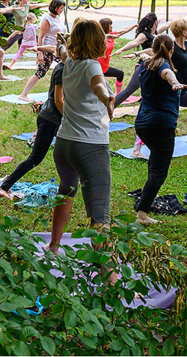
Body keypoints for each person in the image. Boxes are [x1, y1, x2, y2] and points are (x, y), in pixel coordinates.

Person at [46, 20, 116, 264]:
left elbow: (62, 50)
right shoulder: (91, 65)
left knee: (66, 190)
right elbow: (98, 84)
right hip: (89, 147)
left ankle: (53, 246)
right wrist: (106, 97)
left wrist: (64, 43)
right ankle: (111, 281)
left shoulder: (69, 62)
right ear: (98, 41)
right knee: (99, 215)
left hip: (64, 144)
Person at [125, 20, 187, 156]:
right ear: (184, 32)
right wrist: (137, 54)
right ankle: (136, 149)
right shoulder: (171, 47)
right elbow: (152, 51)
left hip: (182, 89)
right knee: (156, 115)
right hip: (171, 89)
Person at [0, 36, 69, 199]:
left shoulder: (66, 67)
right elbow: (58, 100)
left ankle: (65, 189)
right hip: (50, 119)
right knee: (35, 158)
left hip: (52, 118)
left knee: (67, 154)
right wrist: (69, 118)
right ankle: (4, 187)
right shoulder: (62, 69)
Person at [132, 36, 187, 224]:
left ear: (153, 49)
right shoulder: (163, 65)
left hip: (142, 124)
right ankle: (142, 214)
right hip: (160, 125)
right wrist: (174, 82)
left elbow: (146, 57)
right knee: (159, 171)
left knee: (155, 158)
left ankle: (151, 194)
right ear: (171, 51)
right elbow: (167, 73)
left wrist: (140, 54)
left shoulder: (146, 64)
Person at [18, 0, 67, 102]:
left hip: (57, 49)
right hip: (47, 50)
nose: (62, 10)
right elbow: (40, 37)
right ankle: (23, 94)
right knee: (41, 71)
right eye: (61, 8)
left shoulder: (57, 18)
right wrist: (40, 53)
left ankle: (65, 93)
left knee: (67, 67)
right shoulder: (47, 19)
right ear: (55, 7)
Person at [97, 18, 136, 94]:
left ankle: (118, 95)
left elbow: (123, 30)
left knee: (120, 74)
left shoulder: (112, 35)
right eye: (110, 25)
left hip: (105, 67)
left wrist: (135, 25)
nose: (112, 26)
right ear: (106, 26)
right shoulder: (98, 37)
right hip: (97, 66)